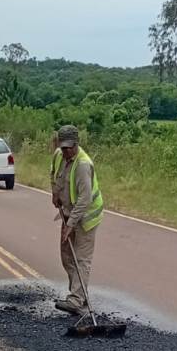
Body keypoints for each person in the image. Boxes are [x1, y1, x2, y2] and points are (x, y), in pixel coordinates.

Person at [50, 125, 104, 315]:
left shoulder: (82, 165)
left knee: (81, 259)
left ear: (76, 144)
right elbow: (53, 174)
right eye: (63, 147)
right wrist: (55, 193)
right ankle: (81, 293)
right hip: (68, 213)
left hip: (87, 217)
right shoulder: (58, 155)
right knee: (67, 256)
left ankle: (76, 300)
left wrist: (71, 224)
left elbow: (85, 199)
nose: (66, 151)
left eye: (69, 147)